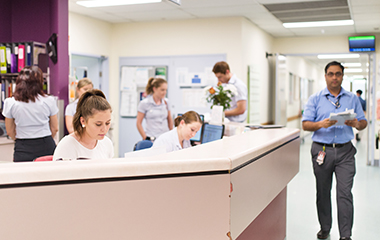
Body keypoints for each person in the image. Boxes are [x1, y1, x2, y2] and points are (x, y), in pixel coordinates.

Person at [302, 61, 367, 240]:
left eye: (338, 74)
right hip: (321, 151)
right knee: (323, 192)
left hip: (345, 151)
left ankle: (346, 235)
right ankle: (325, 228)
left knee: (344, 193)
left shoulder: (352, 98)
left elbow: (363, 123)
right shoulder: (315, 98)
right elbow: (306, 124)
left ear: (342, 76)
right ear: (325, 76)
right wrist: (319, 124)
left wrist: (356, 123)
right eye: (331, 74)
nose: (334, 77)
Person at [2, 66, 58, 162]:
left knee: (23, 175)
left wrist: (21, 140)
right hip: (46, 145)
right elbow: (55, 128)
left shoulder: (10, 102)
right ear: (40, 82)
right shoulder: (49, 100)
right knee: (49, 175)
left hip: (23, 147)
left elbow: (10, 131)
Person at [53, 89, 113, 161]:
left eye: (107, 123)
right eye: (98, 124)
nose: (104, 129)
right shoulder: (67, 146)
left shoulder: (107, 143)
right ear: (83, 121)